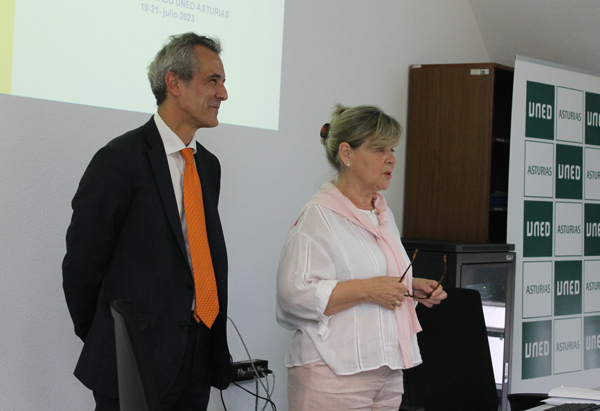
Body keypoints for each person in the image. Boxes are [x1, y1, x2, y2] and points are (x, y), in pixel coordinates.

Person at [62, 32, 230, 411]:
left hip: (196, 354)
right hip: (133, 358)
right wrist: (113, 338)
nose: (223, 94)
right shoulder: (119, 159)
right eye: (213, 81)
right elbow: (82, 266)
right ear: (174, 82)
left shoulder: (208, 166)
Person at [276, 104, 448, 411]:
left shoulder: (381, 213)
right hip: (332, 376)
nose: (391, 158)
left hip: (386, 372)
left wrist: (410, 286)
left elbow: (374, 271)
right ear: (347, 154)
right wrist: (369, 289)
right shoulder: (318, 217)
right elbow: (293, 296)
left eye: (392, 148)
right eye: (379, 149)